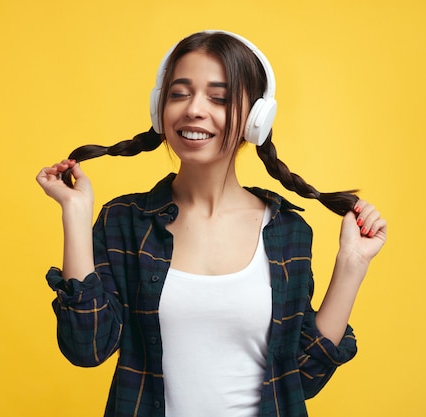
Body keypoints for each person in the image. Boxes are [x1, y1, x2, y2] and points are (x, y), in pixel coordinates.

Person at [36, 30, 387, 417]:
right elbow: (87, 349)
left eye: (218, 98)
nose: (193, 110)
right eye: (179, 93)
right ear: (159, 109)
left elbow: (301, 377)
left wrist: (352, 265)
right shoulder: (126, 222)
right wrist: (75, 213)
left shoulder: (287, 230)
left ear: (255, 119)